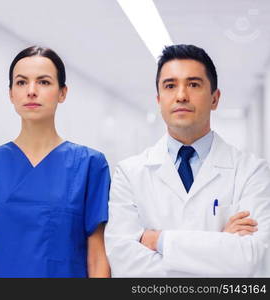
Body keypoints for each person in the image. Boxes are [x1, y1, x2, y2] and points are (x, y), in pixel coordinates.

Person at [0, 46, 110, 278]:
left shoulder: (90, 165)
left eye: (43, 82)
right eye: (21, 83)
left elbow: (97, 257)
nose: (31, 91)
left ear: (62, 92)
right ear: (11, 93)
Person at [105, 44, 270, 277]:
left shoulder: (252, 171)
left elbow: (251, 259)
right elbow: (126, 267)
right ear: (159, 99)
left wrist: (159, 240)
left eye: (193, 84)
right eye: (170, 86)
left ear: (215, 98)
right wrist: (221, 245)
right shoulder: (129, 174)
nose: (181, 95)